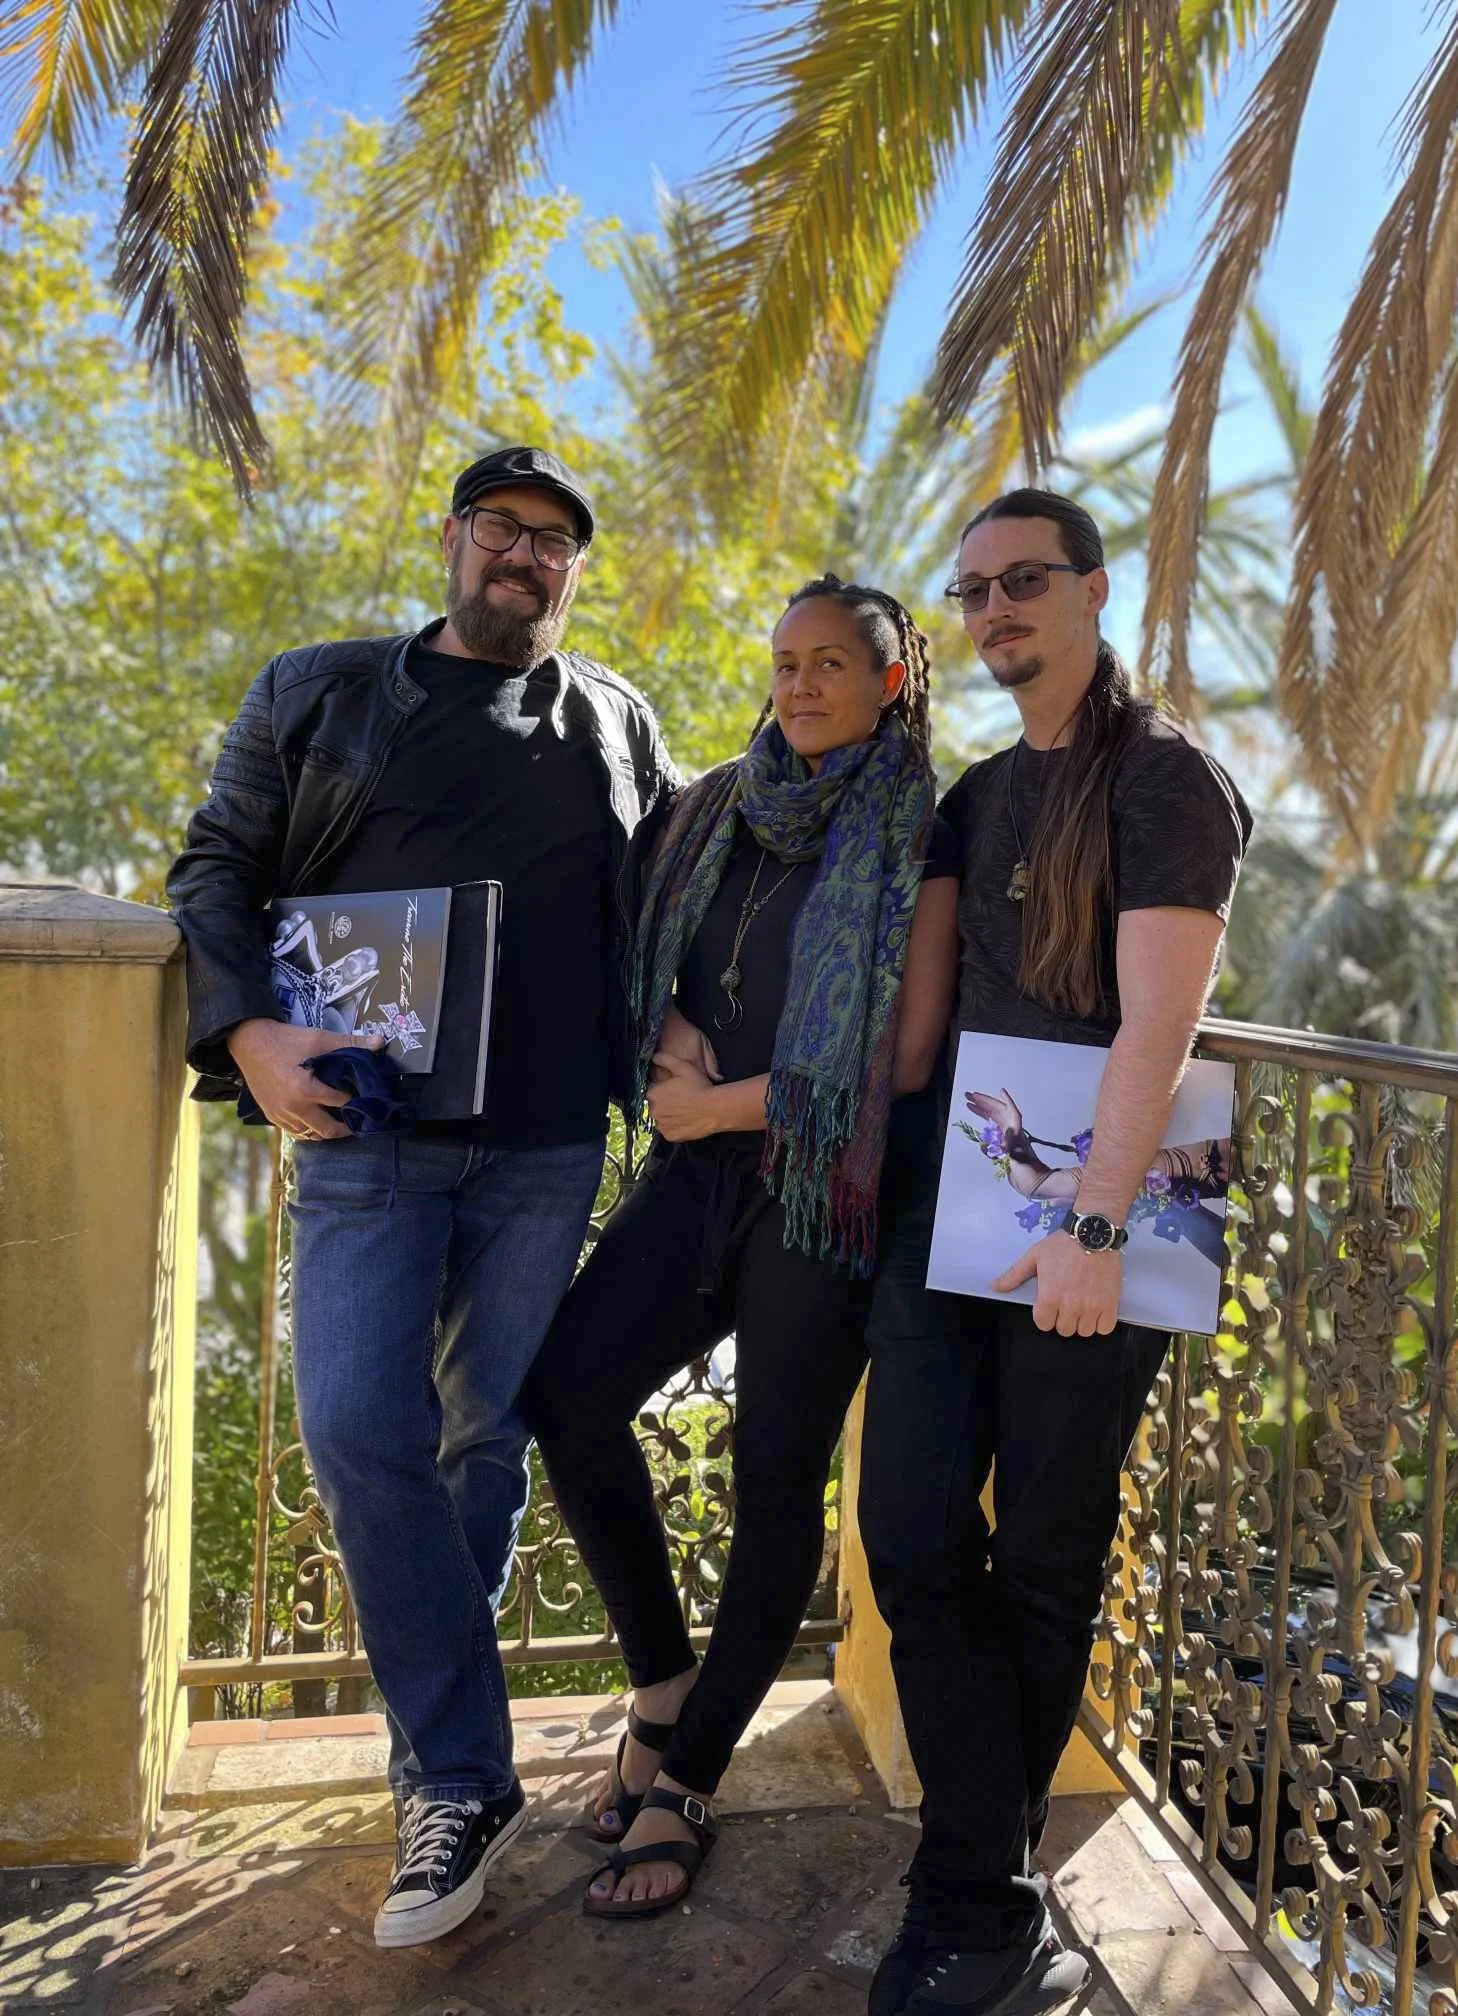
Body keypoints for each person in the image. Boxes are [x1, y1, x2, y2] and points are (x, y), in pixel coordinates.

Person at [166, 445, 678, 1950]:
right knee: (350, 1427)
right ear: (454, 540)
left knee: (483, 1444)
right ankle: (463, 1768)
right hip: (366, 1133)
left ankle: (442, 1784)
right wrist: (247, 1034)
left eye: (556, 544)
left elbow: (673, 897)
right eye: (505, 529)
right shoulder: (318, 692)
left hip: (548, 1147)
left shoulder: (616, 719)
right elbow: (216, 867)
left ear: (572, 573)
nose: (528, 557)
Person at [860, 490, 1252, 2016]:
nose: (994, 609)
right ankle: (991, 1885)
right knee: (910, 1529)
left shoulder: (1164, 778)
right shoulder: (975, 793)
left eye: (1023, 580)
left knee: (1042, 1549)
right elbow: (925, 1009)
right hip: (956, 1206)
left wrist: (1090, 1226)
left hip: (1104, 1220)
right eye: (971, 591)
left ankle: (972, 1902)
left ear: (1094, 591)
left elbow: (1162, 1020)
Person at [524, 574, 960, 1919]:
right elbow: (639, 955)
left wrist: (717, 1102)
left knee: (775, 1477)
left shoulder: (920, 832)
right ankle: (663, 1683)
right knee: (567, 1393)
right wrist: (666, 1040)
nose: (802, 684)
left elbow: (902, 1059)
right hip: (697, 1178)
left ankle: (690, 1776)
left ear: (891, 680)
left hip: (821, 1190)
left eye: (832, 662)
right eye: (786, 662)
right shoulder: (717, 806)